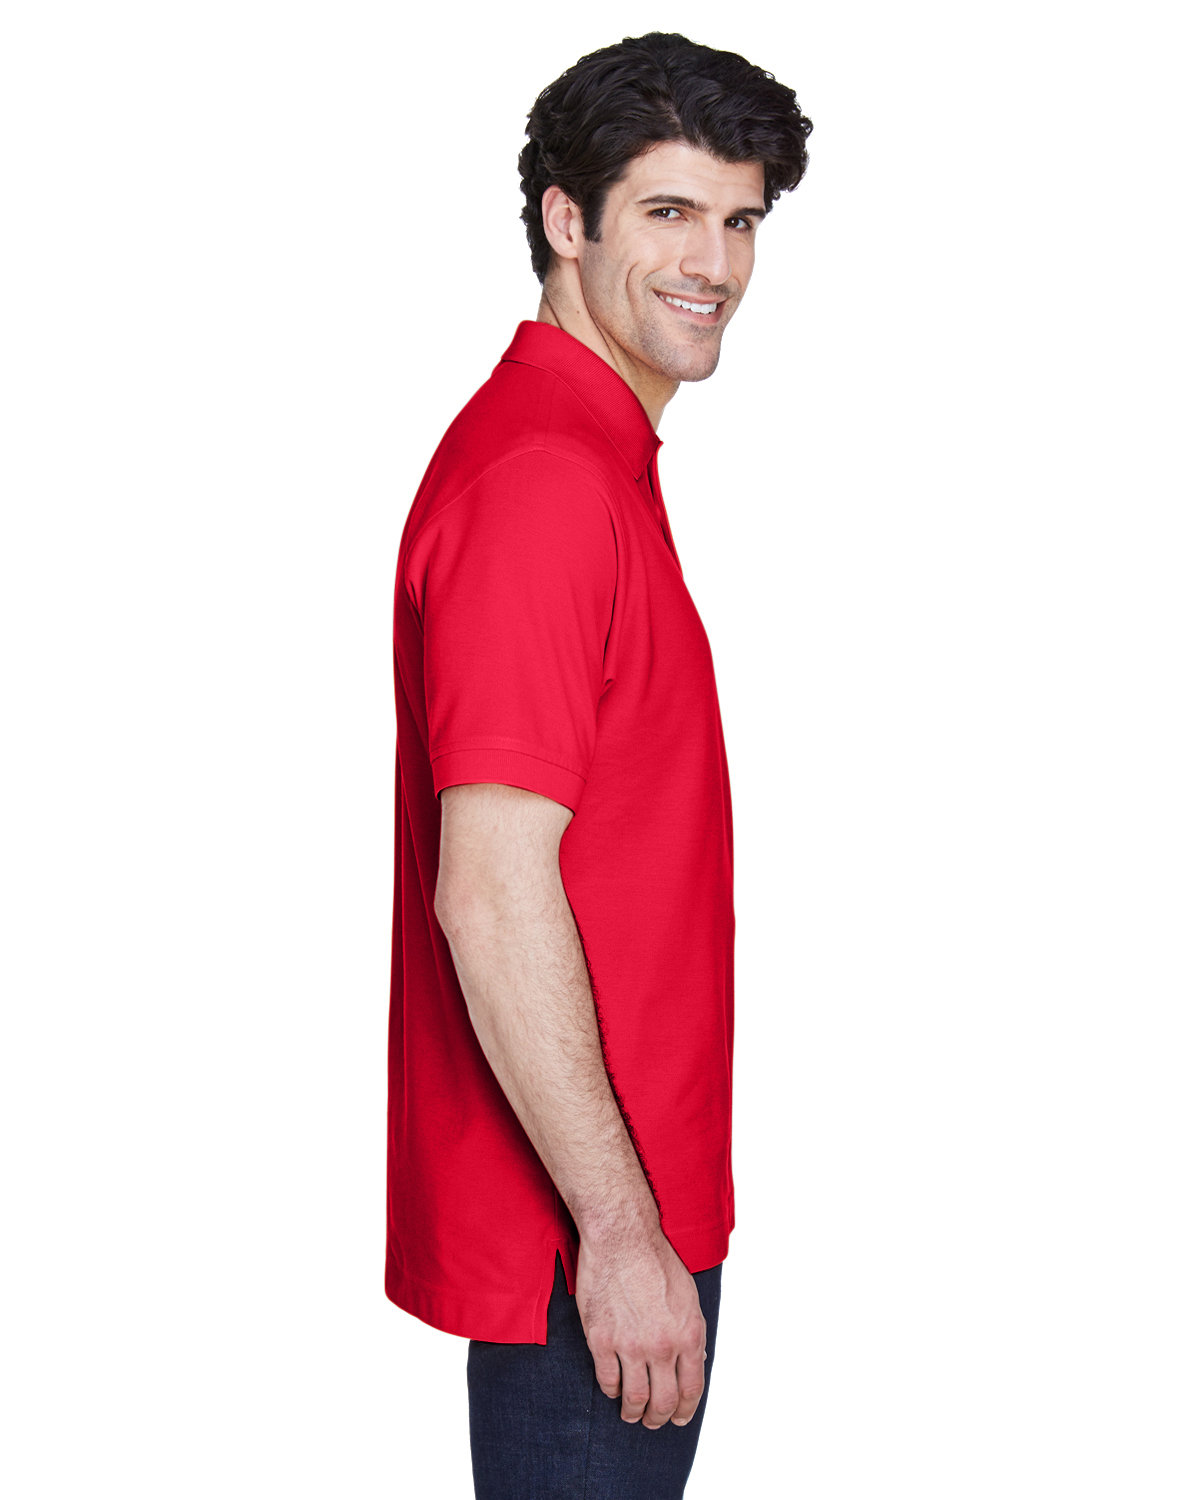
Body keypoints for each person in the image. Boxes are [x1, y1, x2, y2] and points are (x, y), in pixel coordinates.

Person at [386, 32, 812, 1498]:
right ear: (565, 221)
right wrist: (623, 1235)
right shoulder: (545, 487)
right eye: (669, 212)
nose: (714, 263)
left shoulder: (593, 457)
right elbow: (491, 893)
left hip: (621, 1213)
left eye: (740, 219)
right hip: (587, 1243)